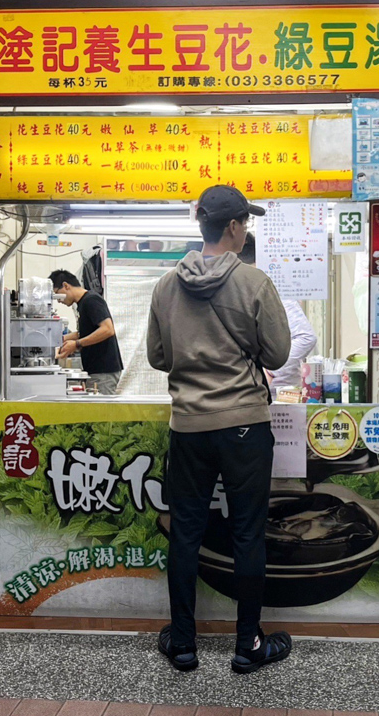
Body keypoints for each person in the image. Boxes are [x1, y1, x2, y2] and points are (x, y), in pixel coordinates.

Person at [146, 185, 292, 675]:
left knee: (185, 533)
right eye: (245, 222)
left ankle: (183, 644)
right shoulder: (254, 283)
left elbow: (158, 357)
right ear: (232, 227)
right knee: (248, 534)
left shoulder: (166, 286)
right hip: (245, 427)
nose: (246, 229)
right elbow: (276, 355)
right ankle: (247, 645)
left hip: (188, 426)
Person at [238, 232, 317, 394]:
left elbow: (306, 337)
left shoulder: (267, 287)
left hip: (278, 393)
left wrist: (272, 370)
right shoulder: (249, 286)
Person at [49, 269, 124, 395]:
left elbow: (107, 329)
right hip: (95, 369)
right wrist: (59, 339)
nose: (58, 300)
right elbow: (85, 332)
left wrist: (77, 344)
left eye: (58, 294)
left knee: (101, 412)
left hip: (103, 370)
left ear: (66, 286)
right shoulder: (82, 304)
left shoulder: (91, 300)